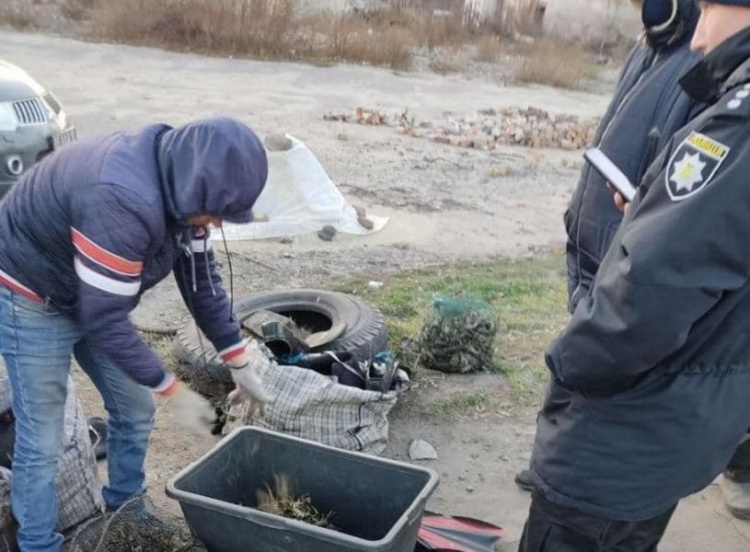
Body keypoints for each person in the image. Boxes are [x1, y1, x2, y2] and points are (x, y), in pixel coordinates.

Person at [519, 2, 750, 550]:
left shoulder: (738, 124)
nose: (697, 39)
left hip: (623, 439)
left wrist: (571, 365)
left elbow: (652, 291)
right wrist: (653, 208)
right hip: (673, 421)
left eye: (710, 9)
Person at [0, 116, 271, 551]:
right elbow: (104, 319)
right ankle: (38, 544)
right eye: (217, 212)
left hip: (89, 291)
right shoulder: (121, 197)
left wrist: (238, 359)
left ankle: (126, 511)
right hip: (31, 293)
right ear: (195, 185)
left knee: (135, 407)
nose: (218, 224)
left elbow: (203, 283)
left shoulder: (187, 195)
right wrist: (173, 389)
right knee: (43, 436)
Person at [515, 0, 703, 488]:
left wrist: (640, 221)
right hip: (591, 240)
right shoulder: (651, 46)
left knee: (602, 378)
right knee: (572, 360)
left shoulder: (703, 57)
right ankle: (550, 466)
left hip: (626, 248)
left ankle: (572, 481)